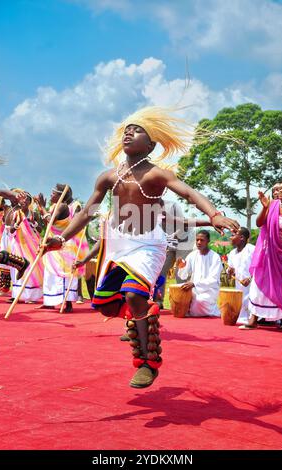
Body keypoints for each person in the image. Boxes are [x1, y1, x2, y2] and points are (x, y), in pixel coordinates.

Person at [42, 106, 239, 388]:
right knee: (108, 308)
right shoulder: (108, 177)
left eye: (137, 130)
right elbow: (86, 213)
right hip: (118, 245)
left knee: (134, 296)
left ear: (150, 145)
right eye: (126, 130)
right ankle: (140, 316)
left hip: (148, 246)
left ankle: (148, 362)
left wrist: (214, 215)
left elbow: (189, 193)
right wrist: (61, 240)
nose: (129, 133)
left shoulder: (156, 175)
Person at [240, 178, 282, 331]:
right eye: (279, 188)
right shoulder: (273, 205)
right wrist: (264, 207)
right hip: (269, 253)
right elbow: (258, 223)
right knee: (259, 283)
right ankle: (253, 319)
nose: (280, 190)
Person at [35, 184, 89, 312]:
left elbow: (51, 220)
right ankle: (49, 301)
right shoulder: (55, 206)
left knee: (64, 275)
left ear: (61, 195)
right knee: (50, 274)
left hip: (62, 245)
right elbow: (47, 222)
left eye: (54, 193)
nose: (51, 195)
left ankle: (68, 303)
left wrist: (42, 206)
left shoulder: (63, 206)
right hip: (52, 244)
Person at [176, 230, 223, 317]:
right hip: (193, 290)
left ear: (208, 241)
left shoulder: (215, 257)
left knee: (200, 301)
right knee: (178, 294)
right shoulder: (192, 255)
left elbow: (213, 279)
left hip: (209, 290)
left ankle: (214, 312)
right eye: (197, 240)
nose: (199, 242)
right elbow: (183, 275)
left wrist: (194, 284)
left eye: (202, 240)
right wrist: (181, 267)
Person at [8, 190, 43, 304]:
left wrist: (34, 224)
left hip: (32, 246)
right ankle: (18, 295)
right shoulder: (16, 214)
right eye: (22, 199)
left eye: (26, 199)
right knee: (18, 267)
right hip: (19, 245)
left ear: (29, 202)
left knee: (31, 270)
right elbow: (12, 229)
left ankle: (31, 297)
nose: (23, 201)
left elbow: (41, 230)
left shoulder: (34, 214)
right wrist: (17, 224)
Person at [227, 227, 255, 324]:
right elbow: (230, 270)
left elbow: (260, 267)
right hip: (239, 287)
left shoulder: (252, 249)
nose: (230, 238)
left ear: (242, 237)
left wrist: (250, 278)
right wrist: (230, 271)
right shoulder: (231, 253)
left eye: (233, 235)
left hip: (253, 286)